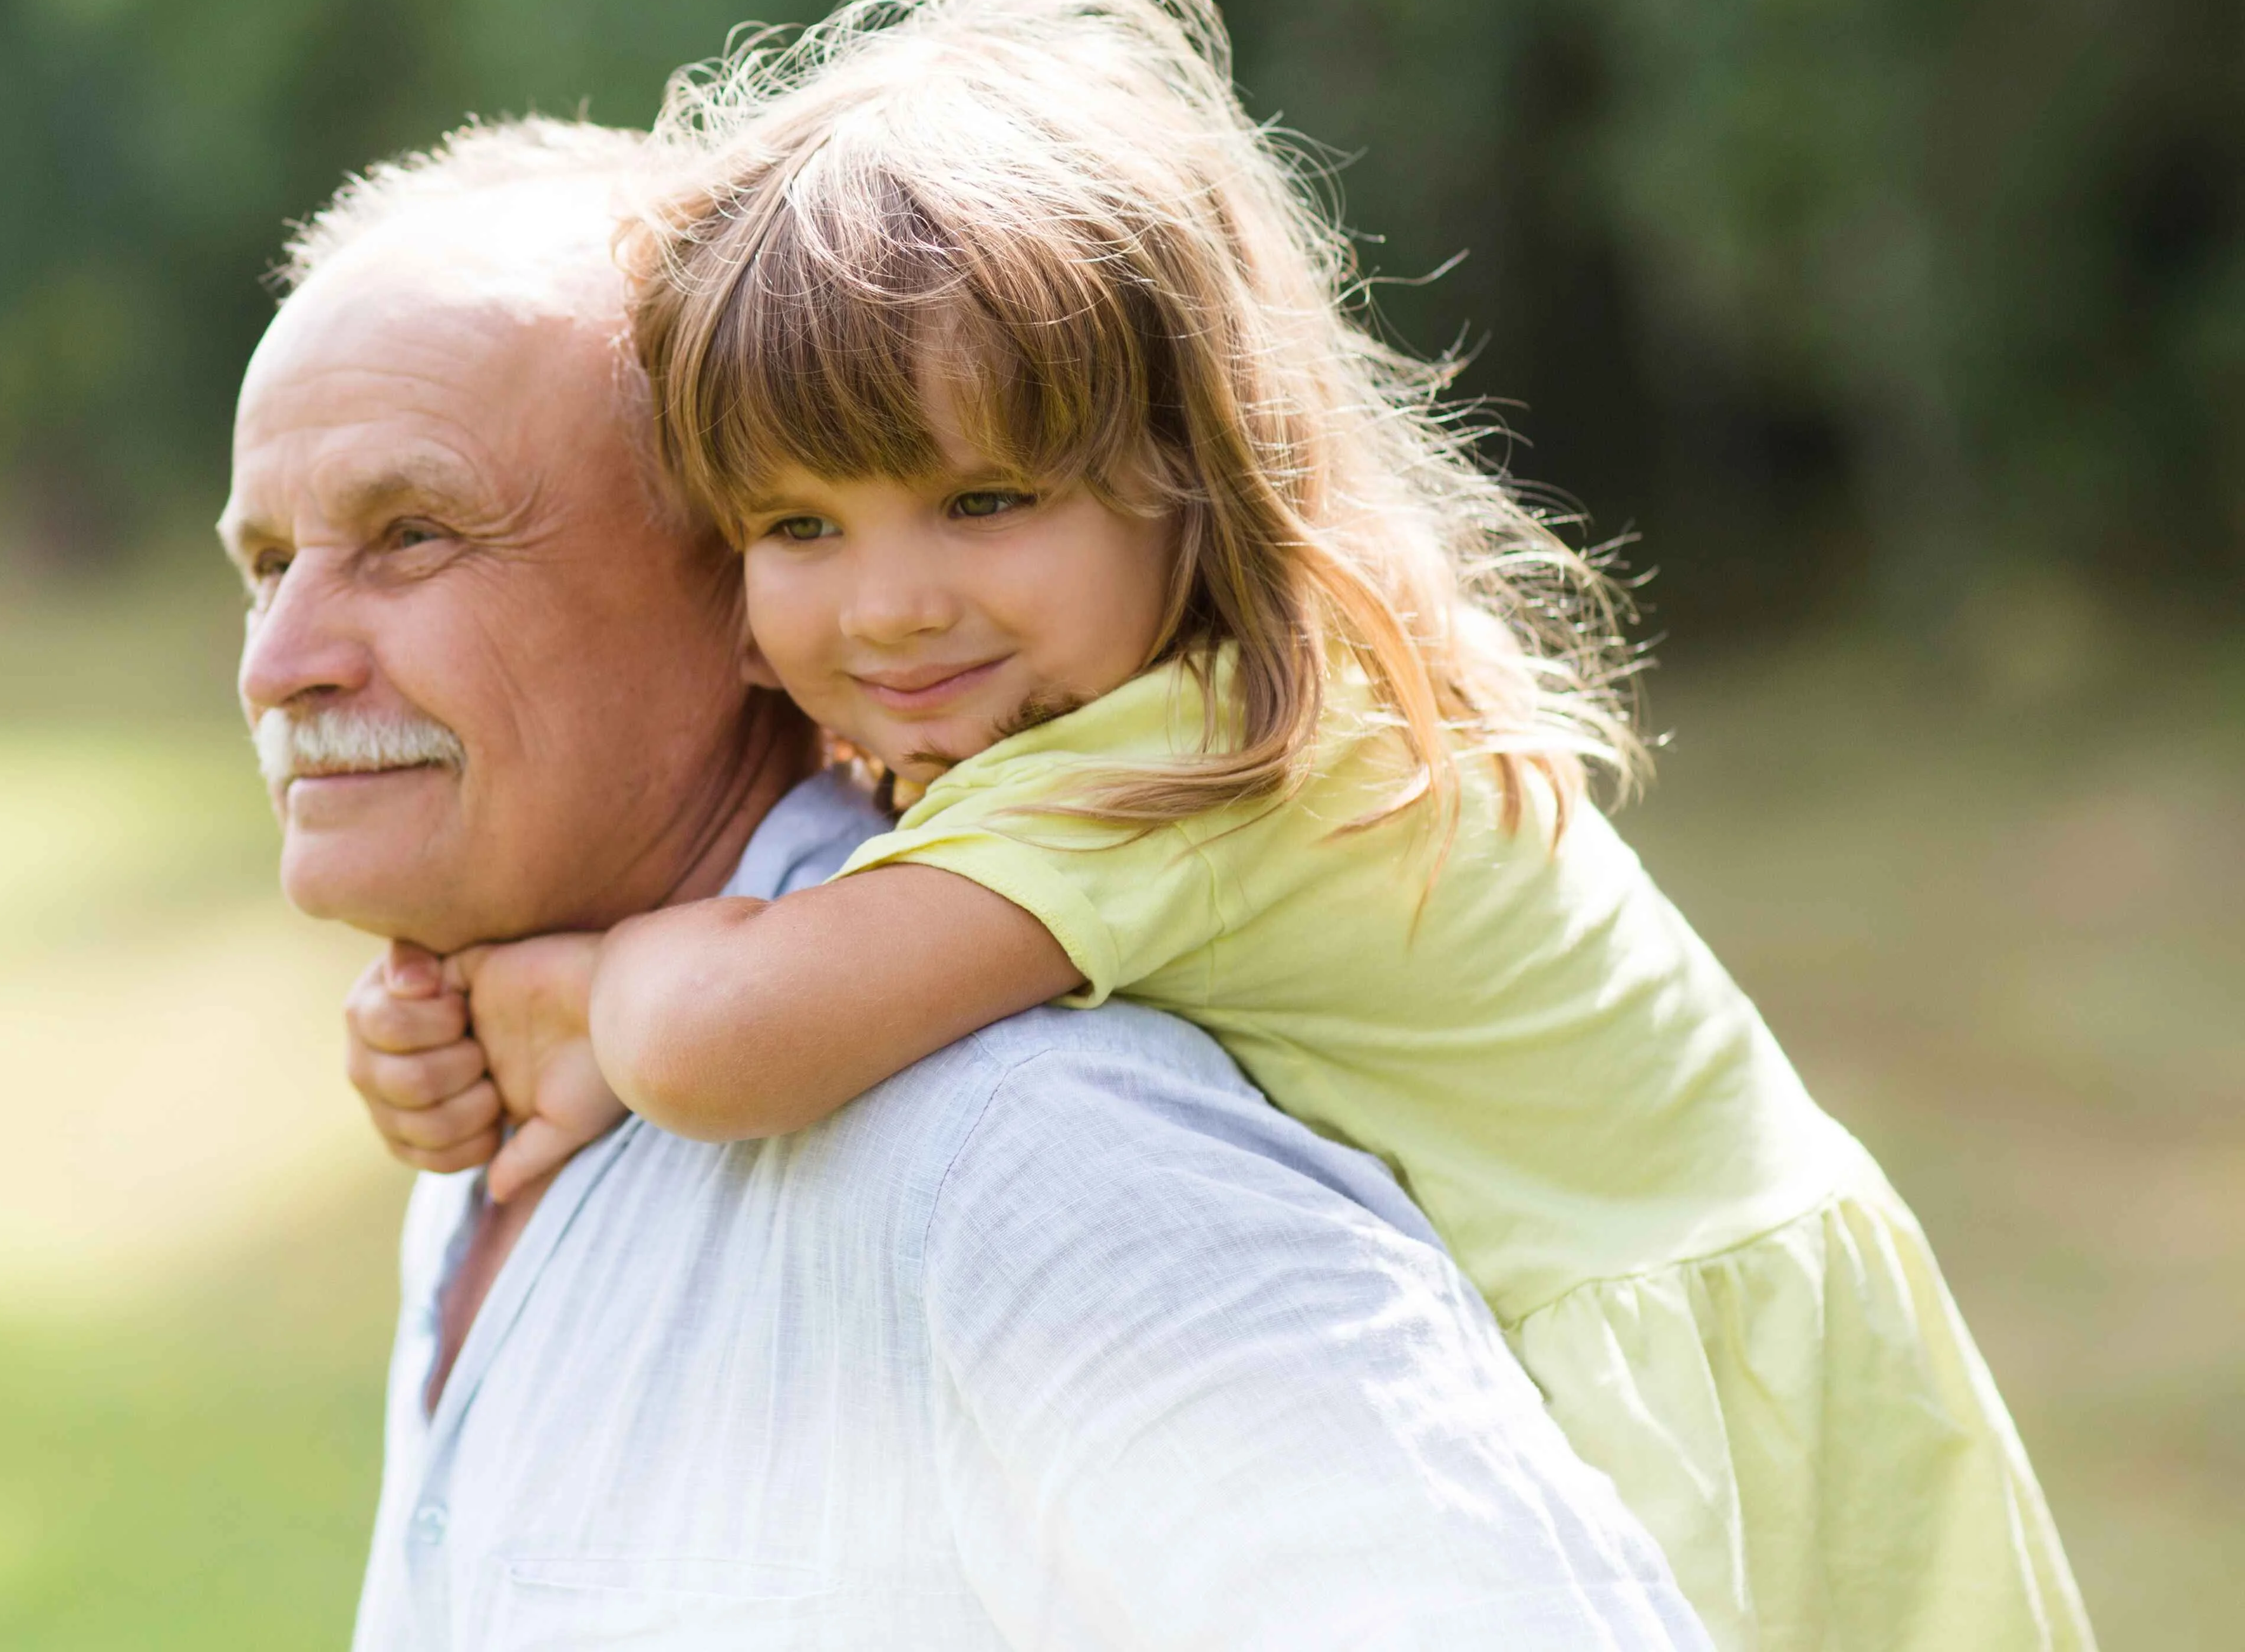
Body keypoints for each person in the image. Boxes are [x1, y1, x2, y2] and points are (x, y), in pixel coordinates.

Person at [357, 0, 2087, 1650]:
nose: (888, 605)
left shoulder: (1185, 771)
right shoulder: (1193, 695)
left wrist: (585, 994)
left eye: (983, 502)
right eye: (800, 527)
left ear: (1193, 469)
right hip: (1756, 1320)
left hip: (1700, 1407)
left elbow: (722, 1043)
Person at [233, 118, 1705, 1646]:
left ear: (730, 585)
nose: (280, 662)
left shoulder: (1029, 1143)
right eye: (267, 564)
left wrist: (596, 1005)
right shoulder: (499, 1103)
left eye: (413, 536)